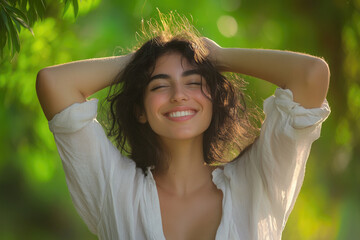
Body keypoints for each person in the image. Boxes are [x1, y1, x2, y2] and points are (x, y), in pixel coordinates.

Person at [36, 12, 330, 240]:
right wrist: (142, 61)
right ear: (140, 110)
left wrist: (219, 57)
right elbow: (54, 83)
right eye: (159, 86)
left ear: (214, 101)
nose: (178, 95)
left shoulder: (257, 182)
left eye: (193, 82)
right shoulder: (116, 189)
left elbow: (311, 75)